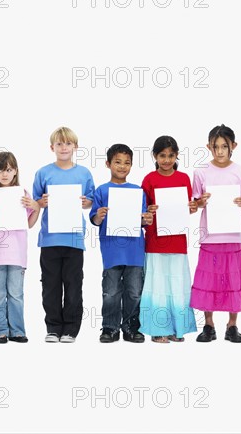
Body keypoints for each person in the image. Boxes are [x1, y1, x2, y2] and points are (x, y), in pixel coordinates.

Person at [190, 124, 241, 343]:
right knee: (209, 280)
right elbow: (194, 204)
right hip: (210, 236)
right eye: (216, 146)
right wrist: (200, 202)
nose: (220, 151)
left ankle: (232, 325)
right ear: (209, 147)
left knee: (233, 280)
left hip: (233, 236)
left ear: (233, 146)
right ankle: (208, 325)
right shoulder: (201, 172)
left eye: (224, 147)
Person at [32, 126, 95, 343]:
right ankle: (53, 327)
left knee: (73, 285)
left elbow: (90, 201)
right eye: (59, 143)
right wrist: (40, 202)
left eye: (68, 143)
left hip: (74, 239)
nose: (64, 147)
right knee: (50, 286)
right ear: (52, 147)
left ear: (75, 147)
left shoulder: (84, 173)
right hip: (50, 239)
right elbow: (35, 203)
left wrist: (88, 203)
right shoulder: (43, 173)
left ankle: (70, 329)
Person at [89, 144, 153, 343]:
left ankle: (131, 327)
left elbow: (142, 219)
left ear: (132, 166)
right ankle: (110, 328)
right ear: (108, 164)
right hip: (112, 250)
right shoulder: (101, 190)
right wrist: (98, 215)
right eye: (117, 162)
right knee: (111, 292)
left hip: (134, 249)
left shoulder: (137, 191)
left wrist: (146, 219)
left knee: (134, 292)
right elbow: (94, 220)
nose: (122, 166)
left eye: (127, 163)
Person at [140, 135, 198, 343]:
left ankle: (177, 328)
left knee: (177, 285)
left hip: (177, 241)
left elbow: (186, 209)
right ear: (155, 156)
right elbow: (141, 212)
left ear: (177, 155)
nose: (166, 160)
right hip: (155, 240)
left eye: (170, 155)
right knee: (158, 286)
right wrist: (148, 210)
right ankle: (157, 328)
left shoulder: (183, 178)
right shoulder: (149, 180)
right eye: (162, 155)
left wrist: (192, 208)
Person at [0, 151, 40, 344]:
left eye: (8, 170)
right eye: (0, 170)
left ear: (15, 171)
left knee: (16, 293)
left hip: (17, 253)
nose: (4, 174)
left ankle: (17, 330)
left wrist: (36, 207)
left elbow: (29, 224)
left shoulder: (23, 194)